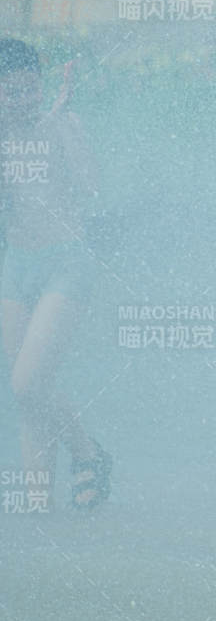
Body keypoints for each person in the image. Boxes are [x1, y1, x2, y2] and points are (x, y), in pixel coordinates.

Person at [0, 38, 108, 509]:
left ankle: (87, 452)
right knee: (29, 393)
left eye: (29, 90)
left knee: (27, 381)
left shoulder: (61, 124)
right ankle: (39, 511)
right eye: (10, 92)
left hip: (67, 261)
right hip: (15, 266)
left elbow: (91, 189)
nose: (21, 100)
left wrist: (63, 128)